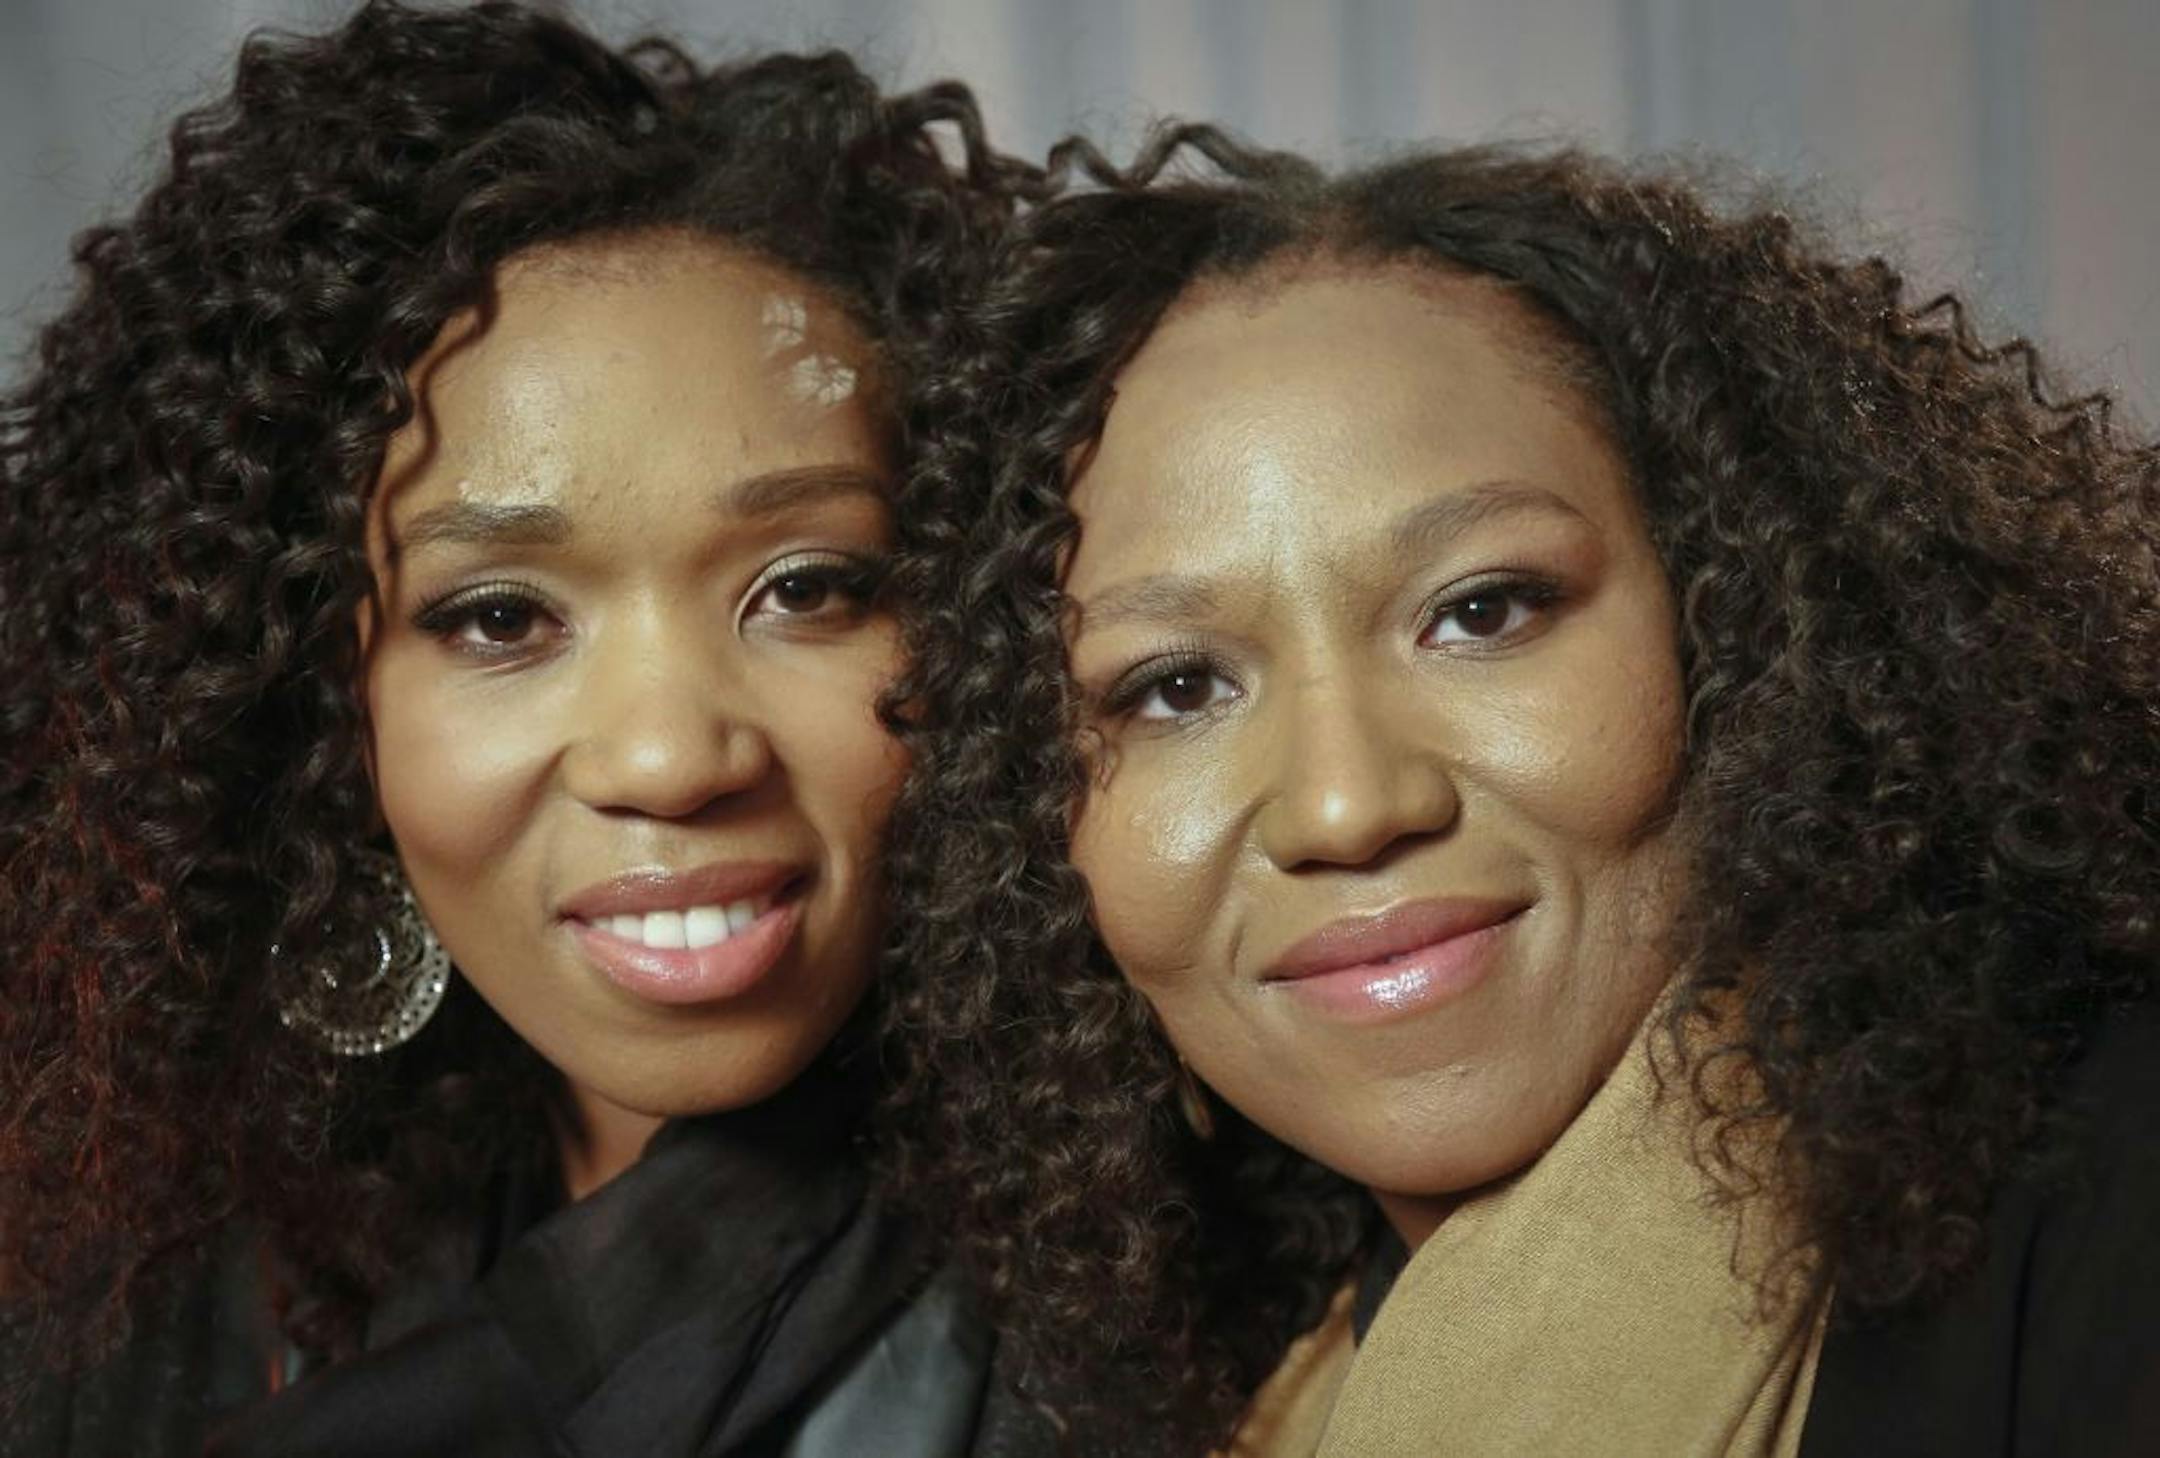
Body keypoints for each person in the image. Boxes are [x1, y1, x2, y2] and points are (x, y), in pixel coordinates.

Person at [881, 126, 2160, 1455]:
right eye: (1175, 688)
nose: (1347, 804)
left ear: (1747, 627)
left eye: (1483, 609)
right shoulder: (1247, 1392)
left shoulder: (2108, 1207)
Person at [0, 4, 1046, 1454]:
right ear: (316, 703)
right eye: (499, 619)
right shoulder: (156, 1310)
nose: (673, 756)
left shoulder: (1174, 1328)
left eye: (808, 587)